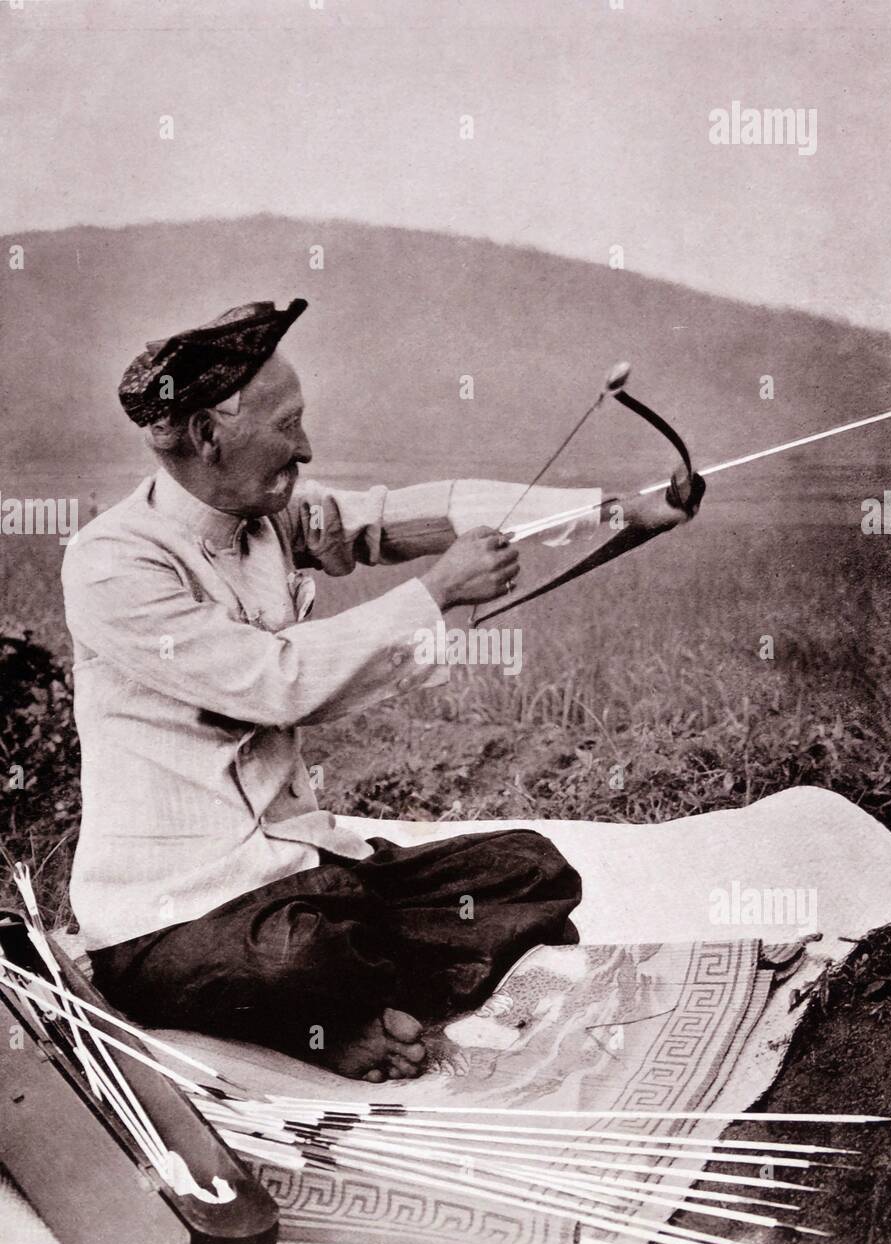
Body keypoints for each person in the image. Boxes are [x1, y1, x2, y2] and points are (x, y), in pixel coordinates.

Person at [62, 299, 702, 1081]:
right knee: (297, 955)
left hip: (298, 880)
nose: (306, 445)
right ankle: (324, 1015)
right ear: (206, 435)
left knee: (530, 869)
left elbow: (399, 517)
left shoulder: (265, 516)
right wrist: (435, 594)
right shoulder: (112, 564)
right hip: (175, 918)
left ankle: (346, 1002)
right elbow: (275, 682)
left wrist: (618, 510)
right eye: (287, 424)